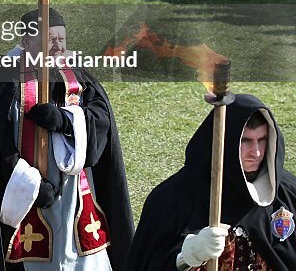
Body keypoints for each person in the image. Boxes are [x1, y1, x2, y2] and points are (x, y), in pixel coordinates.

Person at [0, 8, 134, 270]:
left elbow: (101, 120)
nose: (58, 46)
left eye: (61, 39)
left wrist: (67, 120)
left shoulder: (76, 75)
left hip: (76, 196)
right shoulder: (4, 79)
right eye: (50, 39)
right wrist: (32, 185)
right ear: (27, 42)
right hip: (25, 197)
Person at [126, 94, 296, 271]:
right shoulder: (172, 199)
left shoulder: (288, 194)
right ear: (225, 141)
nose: (256, 152)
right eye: (245, 141)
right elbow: (146, 263)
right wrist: (189, 254)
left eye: (262, 140)